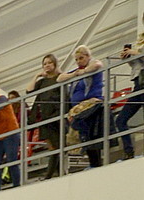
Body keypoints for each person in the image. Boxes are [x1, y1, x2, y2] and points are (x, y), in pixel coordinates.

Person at [58, 46, 105, 168]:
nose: (79, 61)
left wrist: (84, 72)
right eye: (77, 59)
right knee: (81, 130)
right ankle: (92, 160)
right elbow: (60, 78)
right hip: (79, 106)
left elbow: (98, 65)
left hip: (92, 102)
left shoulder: (93, 64)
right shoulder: (76, 71)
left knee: (84, 128)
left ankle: (95, 162)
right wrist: (74, 74)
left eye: (81, 58)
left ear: (88, 57)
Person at [27, 54, 63, 179]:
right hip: (45, 118)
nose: (47, 65)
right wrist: (36, 76)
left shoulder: (60, 77)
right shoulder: (42, 82)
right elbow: (29, 90)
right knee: (53, 147)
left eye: (49, 63)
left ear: (54, 64)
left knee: (56, 147)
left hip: (56, 116)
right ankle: (57, 173)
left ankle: (51, 174)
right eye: (44, 63)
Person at [112, 24, 144, 161]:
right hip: (138, 83)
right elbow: (137, 65)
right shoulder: (140, 41)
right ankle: (128, 151)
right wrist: (128, 58)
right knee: (120, 120)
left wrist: (134, 53)